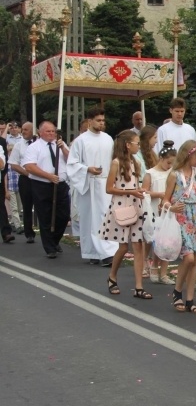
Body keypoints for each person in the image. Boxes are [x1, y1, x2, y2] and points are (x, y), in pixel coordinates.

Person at [162, 140, 196, 314]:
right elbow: (165, 200)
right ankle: (177, 291)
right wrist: (171, 207)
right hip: (181, 218)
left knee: (195, 260)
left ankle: (190, 299)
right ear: (188, 155)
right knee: (189, 258)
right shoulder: (174, 175)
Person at [99, 130, 151, 300]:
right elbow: (109, 188)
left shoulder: (135, 162)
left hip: (135, 205)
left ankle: (138, 287)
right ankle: (112, 276)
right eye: (136, 143)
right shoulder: (116, 163)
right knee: (123, 247)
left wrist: (140, 191)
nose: (138, 146)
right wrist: (131, 191)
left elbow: (135, 183)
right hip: (122, 206)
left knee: (137, 245)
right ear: (128, 145)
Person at [66, 107, 117, 266]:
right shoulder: (81, 141)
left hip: (105, 183)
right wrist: (87, 169)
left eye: (103, 120)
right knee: (90, 220)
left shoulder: (108, 139)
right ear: (90, 121)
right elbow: (72, 164)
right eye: (98, 120)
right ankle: (95, 253)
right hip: (89, 183)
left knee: (105, 218)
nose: (101, 123)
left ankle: (106, 252)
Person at [21, 121, 70, 258]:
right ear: (40, 132)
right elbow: (29, 166)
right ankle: (50, 248)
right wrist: (48, 176)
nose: (51, 134)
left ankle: (54, 240)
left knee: (63, 215)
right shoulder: (34, 147)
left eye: (53, 131)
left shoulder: (60, 145)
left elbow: (71, 160)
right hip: (42, 185)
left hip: (60, 184)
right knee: (45, 216)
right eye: (48, 131)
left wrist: (64, 149)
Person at [143, 141, 178, 285]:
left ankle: (163, 272)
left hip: (167, 210)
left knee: (166, 241)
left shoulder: (173, 174)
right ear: (161, 158)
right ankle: (149, 265)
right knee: (152, 239)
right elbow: (144, 191)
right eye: (168, 163)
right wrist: (159, 194)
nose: (169, 166)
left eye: (172, 164)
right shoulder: (150, 173)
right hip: (154, 209)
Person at [8, 122, 36, 243]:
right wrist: (27, 173)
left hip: (41, 178)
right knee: (27, 206)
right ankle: (29, 233)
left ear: (32, 131)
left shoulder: (40, 143)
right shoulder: (19, 145)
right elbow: (13, 164)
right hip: (25, 179)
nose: (23, 132)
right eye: (22, 129)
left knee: (44, 206)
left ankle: (49, 234)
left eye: (26, 130)